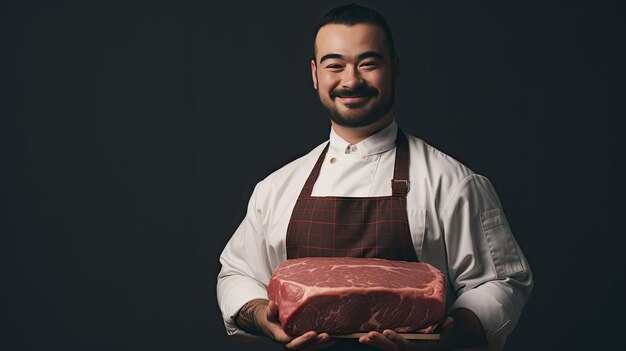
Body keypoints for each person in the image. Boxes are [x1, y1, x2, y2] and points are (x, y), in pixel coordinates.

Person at [217, 3, 533, 351]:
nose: (351, 80)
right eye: (334, 65)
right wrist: (262, 315)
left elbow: (501, 283)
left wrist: (444, 341)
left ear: (394, 69)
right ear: (314, 74)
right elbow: (237, 274)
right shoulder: (277, 187)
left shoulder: (452, 182)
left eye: (368, 64)